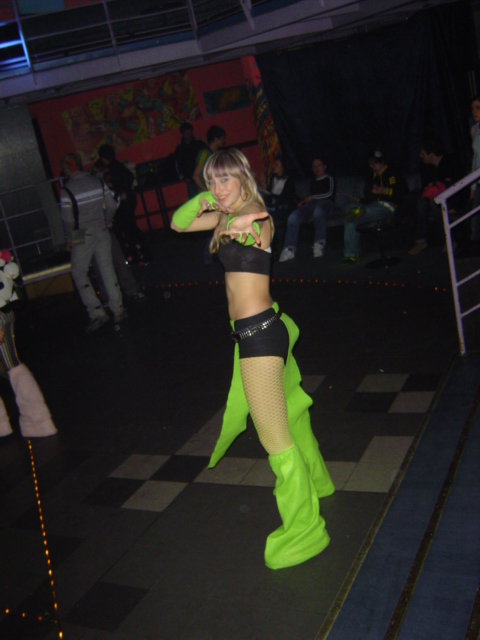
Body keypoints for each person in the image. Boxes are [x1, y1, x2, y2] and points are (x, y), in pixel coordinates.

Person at [171, 148, 334, 570]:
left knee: (275, 440)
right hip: (264, 330)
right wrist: (208, 202)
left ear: (243, 177)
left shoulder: (255, 215)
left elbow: (257, 232)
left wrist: (240, 225)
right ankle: (319, 482)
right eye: (211, 181)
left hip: (259, 338)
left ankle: (305, 530)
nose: (218, 188)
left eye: (225, 179)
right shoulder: (223, 215)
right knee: (293, 415)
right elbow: (178, 223)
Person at [60, 153, 126, 333]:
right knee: (107, 269)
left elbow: (68, 220)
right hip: (101, 228)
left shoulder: (66, 190)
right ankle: (118, 309)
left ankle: (97, 312)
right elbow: (111, 205)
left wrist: (70, 239)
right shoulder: (97, 181)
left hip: (81, 232)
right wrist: (106, 220)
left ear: (67, 170)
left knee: (79, 272)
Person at [0, 251, 57, 438]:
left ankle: (34, 421)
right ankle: (38, 421)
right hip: (5, 310)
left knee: (12, 366)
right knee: (12, 365)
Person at [343, 150, 408, 263]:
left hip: (388, 208)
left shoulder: (393, 173)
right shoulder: (371, 179)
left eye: (375, 164)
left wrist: (385, 191)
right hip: (372, 208)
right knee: (351, 218)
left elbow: (403, 193)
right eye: (371, 164)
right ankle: (351, 255)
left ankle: (358, 210)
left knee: (363, 210)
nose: (373, 167)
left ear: (382, 162)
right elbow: (368, 200)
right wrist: (356, 199)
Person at [408, 138, 466, 255]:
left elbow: (463, 186)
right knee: (422, 203)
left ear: (431, 154)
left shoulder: (451, 162)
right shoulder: (426, 168)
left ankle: (449, 241)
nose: (420, 156)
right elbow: (426, 190)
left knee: (436, 204)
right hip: (435, 199)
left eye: (423, 153)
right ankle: (420, 241)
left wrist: (457, 207)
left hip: (453, 199)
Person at [97, 144, 150, 265]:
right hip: (126, 199)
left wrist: (121, 192)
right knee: (129, 228)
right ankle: (139, 254)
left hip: (124, 201)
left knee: (129, 228)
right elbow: (129, 177)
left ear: (103, 158)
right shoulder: (116, 166)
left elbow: (122, 182)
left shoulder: (113, 168)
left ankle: (140, 255)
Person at [278, 157, 335, 262]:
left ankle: (319, 243)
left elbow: (329, 194)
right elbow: (311, 198)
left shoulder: (329, 178)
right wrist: (303, 201)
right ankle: (289, 249)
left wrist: (312, 197)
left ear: (324, 167)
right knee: (293, 216)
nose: (317, 168)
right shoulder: (313, 182)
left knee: (318, 211)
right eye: (314, 166)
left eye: (319, 166)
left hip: (326, 204)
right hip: (312, 204)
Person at [262, 155, 297, 255]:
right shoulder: (273, 178)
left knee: (272, 220)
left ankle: (275, 246)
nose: (274, 167)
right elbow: (270, 195)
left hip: (284, 208)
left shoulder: (289, 180)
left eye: (276, 165)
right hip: (274, 207)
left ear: (282, 167)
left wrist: (270, 194)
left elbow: (285, 198)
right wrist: (265, 189)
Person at [174, 122, 208, 199]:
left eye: (190, 132)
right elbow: (178, 165)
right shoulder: (179, 148)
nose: (189, 135)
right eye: (187, 133)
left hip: (203, 177)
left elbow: (208, 156)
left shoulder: (200, 143)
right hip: (191, 180)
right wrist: (183, 177)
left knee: (207, 197)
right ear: (182, 134)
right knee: (194, 200)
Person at [192, 125, 226, 193]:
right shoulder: (204, 154)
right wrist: (207, 191)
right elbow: (195, 176)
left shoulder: (216, 153)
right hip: (208, 192)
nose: (224, 141)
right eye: (222, 139)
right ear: (216, 139)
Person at [469, 95, 480, 250]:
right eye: (473, 109)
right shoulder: (474, 129)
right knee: (475, 217)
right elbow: (475, 158)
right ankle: (475, 248)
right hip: (478, 180)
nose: (474, 112)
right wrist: (472, 186)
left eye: (478, 108)